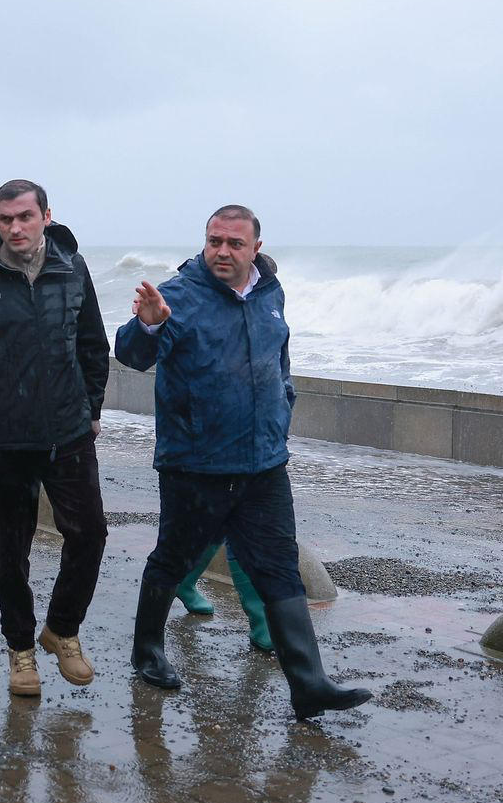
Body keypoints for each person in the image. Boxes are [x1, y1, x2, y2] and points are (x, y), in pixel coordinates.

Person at [114, 204, 370, 720]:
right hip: (195, 462)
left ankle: (309, 683)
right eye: (214, 241)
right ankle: (147, 651)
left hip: (263, 464)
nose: (222, 252)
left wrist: (283, 410)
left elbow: (280, 361)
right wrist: (147, 326)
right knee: (173, 557)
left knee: (280, 569)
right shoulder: (179, 295)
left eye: (234, 243)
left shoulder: (270, 293)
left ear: (256, 246)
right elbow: (130, 354)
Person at [0, 179, 110, 698]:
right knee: (13, 550)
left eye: (25, 217)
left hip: (68, 431)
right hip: (5, 437)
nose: (15, 228)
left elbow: (93, 344)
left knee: (91, 533)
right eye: (6, 219)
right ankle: (21, 651)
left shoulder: (72, 269)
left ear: (46, 217)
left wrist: (92, 408)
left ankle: (62, 629)